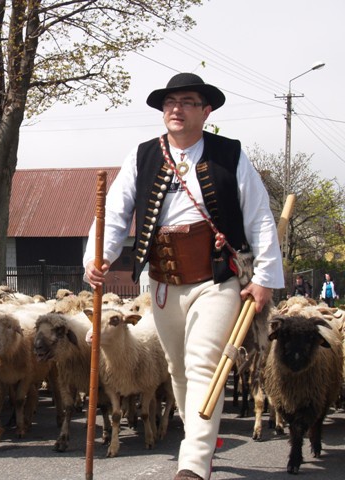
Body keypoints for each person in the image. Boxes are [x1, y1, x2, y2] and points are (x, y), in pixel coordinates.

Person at [83, 73, 284, 480]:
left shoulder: (230, 155)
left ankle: (193, 465)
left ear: (206, 111)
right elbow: (117, 213)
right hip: (161, 281)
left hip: (217, 279)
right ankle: (200, 440)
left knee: (203, 364)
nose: (176, 109)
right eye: (169, 103)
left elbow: (260, 217)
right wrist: (98, 257)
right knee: (177, 368)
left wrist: (264, 277)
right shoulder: (142, 156)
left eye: (187, 102)